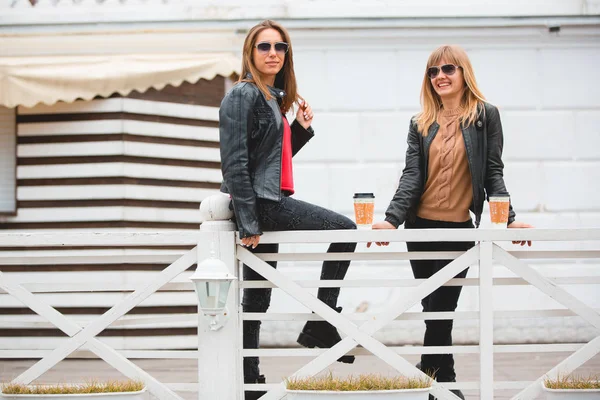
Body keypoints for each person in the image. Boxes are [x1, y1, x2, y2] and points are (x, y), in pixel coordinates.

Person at [369, 45, 533, 399]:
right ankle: (442, 383)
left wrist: (510, 220)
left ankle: (438, 382)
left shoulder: (484, 116)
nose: (440, 76)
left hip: (458, 230)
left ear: (463, 73)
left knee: (442, 309)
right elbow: (412, 176)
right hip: (419, 228)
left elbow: (492, 172)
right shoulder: (420, 122)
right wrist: (391, 220)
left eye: (448, 69)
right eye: (433, 71)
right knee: (434, 310)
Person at [219, 20, 357, 400]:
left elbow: (268, 162)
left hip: (263, 203)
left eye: (280, 47)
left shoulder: (270, 97)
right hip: (261, 207)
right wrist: (248, 220)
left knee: (258, 297)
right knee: (345, 231)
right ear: (250, 53)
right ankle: (323, 321)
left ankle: (250, 383)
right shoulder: (242, 95)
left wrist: (299, 129)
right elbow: (234, 164)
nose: (273, 54)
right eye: (264, 47)